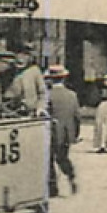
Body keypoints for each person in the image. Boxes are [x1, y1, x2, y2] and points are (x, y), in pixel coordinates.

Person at [45, 66, 80, 197]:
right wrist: (75, 134)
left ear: (50, 79)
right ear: (64, 79)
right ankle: (71, 175)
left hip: (51, 132)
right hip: (66, 133)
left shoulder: (47, 95)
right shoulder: (72, 95)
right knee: (62, 158)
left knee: (49, 160)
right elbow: (77, 117)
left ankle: (53, 188)